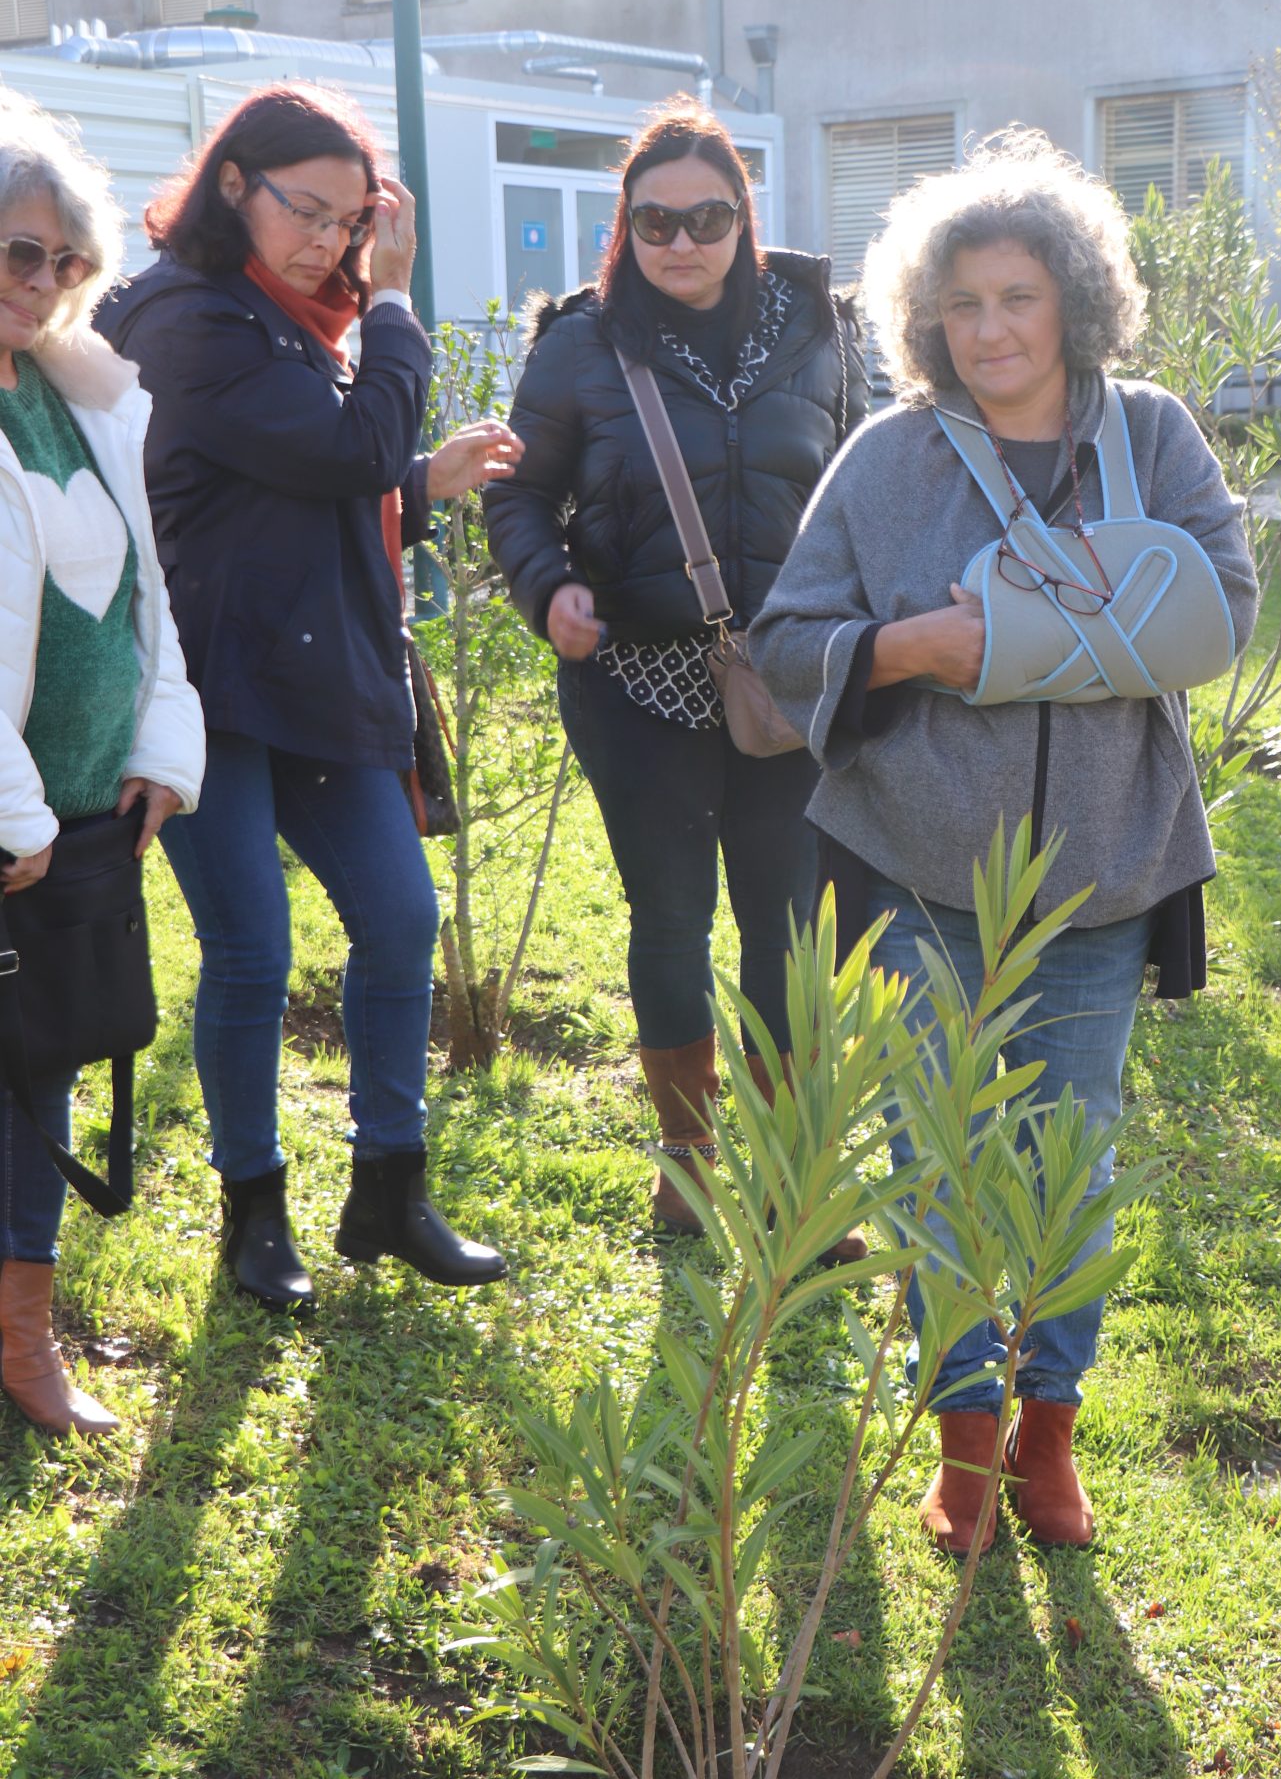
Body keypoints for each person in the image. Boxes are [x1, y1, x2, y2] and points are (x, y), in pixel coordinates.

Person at [750, 131, 1258, 1550]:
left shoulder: (1151, 434)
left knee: (1067, 1166)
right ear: (927, 317)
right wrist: (912, 647)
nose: (989, 330)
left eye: (1018, 298)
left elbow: (1222, 604)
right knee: (940, 1156)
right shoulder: (888, 457)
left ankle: (1050, 1432)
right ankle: (963, 1440)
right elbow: (788, 643)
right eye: (961, 303)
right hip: (921, 866)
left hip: (1105, 871)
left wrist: (1057, 637)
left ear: (1073, 301)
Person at [96, 84, 522, 1313]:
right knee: (251, 949)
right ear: (234, 185)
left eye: (353, 221)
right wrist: (394, 301)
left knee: (400, 918)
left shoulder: (292, 321)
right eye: (310, 212)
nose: (332, 243)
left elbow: (302, 487)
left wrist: (418, 481)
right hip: (211, 687)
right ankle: (254, 1207)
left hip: (318, 676)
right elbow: (341, 452)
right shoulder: (187, 317)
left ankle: (390, 1190)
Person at [485, 96, 868, 1234]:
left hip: (789, 677)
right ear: (626, 227)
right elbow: (517, 492)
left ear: (745, 217)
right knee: (670, 918)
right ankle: (689, 1163)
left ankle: (792, 1170)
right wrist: (547, 588)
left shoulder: (825, 328)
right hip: (634, 683)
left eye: (708, 218)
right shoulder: (580, 343)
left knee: (787, 923)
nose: (682, 243)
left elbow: (875, 478)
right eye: (655, 223)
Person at [0, 93, 205, 1436]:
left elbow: (149, 602)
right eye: (19, 251)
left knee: (45, 1064)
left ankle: (22, 1340)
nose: (44, 279)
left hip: (76, 826)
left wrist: (160, 749)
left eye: (66, 259)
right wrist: (12, 815)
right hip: (19, 828)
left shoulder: (82, 395)